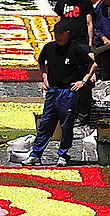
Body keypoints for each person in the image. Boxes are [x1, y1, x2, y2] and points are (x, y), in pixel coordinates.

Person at [28, 19, 96, 162]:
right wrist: (44, 77)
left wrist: (83, 81)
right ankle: (36, 154)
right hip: (53, 90)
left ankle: (63, 154)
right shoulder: (49, 48)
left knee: (66, 125)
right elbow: (41, 62)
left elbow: (92, 65)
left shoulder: (75, 48)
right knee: (46, 123)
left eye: (60, 34)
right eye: (55, 33)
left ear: (67, 34)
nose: (58, 36)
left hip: (68, 91)